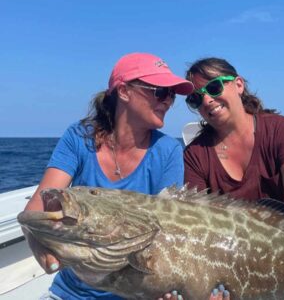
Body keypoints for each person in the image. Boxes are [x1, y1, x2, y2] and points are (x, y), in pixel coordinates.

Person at [23, 52, 194, 299]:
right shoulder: (79, 137)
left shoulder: (168, 151)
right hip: (69, 293)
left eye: (171, 95)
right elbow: (38, 207)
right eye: (160, 92)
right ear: (124, 91)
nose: (168, 101)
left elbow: (170, 236)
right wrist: (45, 252)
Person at [183, 57, 284, 299]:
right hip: (233, 266)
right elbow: (196, 222)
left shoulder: (279, 129)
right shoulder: (195, 154)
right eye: (196, 98)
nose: (207, 99)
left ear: (238, 84)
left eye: (214, 87)